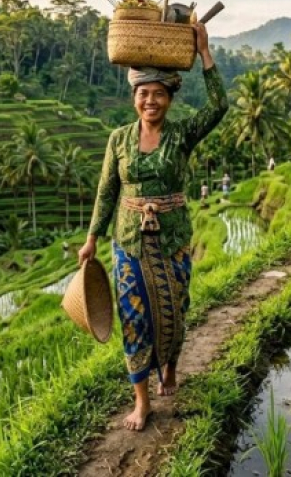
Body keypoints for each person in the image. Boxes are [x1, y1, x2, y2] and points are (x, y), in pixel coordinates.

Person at [79, 21, 227, 432]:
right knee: (134, 317)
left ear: (169, 99)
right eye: (143, 94)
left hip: (173, 238)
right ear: (134, 99)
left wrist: (205, 53)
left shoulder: (181, 135)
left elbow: (218, 108)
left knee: (174, 310)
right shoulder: (118, 140)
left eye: (158, 94)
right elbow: (106, 191)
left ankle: (170, 368)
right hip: (129, 241)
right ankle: (141, 401)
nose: (150, 101)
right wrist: (91, 238)